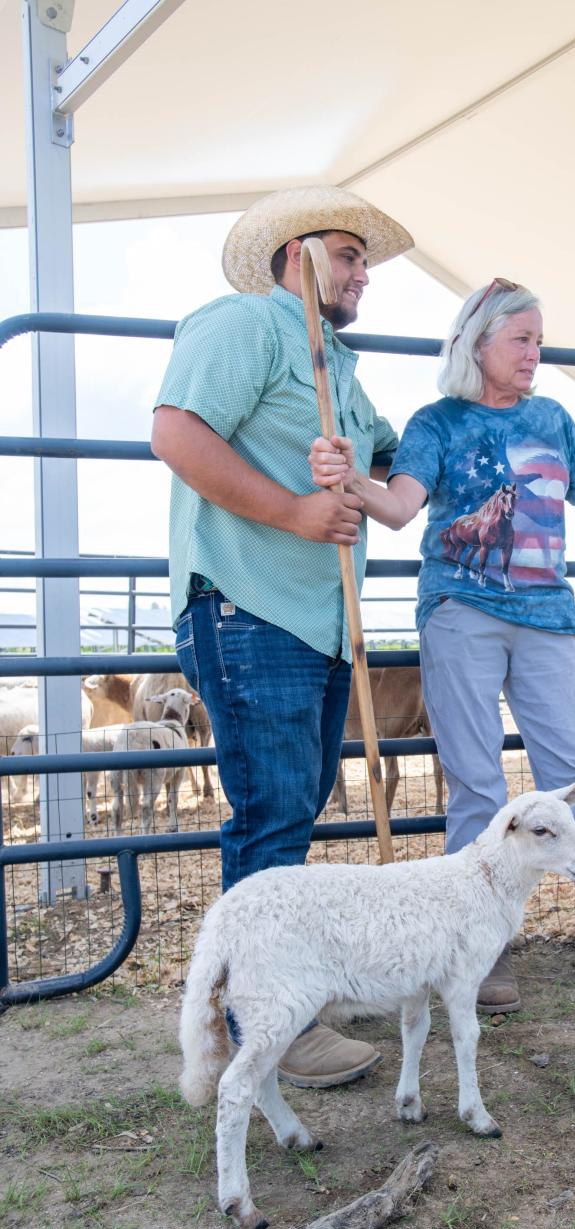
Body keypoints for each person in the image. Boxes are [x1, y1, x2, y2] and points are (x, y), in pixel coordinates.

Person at [309, 278, 575, 1013]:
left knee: (572, 767)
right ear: (478, 344)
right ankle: (478, 948)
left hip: (545, 615)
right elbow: (402, 506)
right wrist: (351, 480)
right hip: (461, 611)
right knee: (475, 777)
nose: (535, 353)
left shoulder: (554, 420)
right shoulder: (436, 423)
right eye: (521, 340)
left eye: (538, 340)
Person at [151, 185, 413, 1085]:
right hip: (250, 604)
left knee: (294, 804)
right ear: (295, 256)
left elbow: (387, 454)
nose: (363, 273)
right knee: (273, 813)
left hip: (317, 621)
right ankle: (270, 1019)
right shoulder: (244, 327)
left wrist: (382, 465)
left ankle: (267, 1001)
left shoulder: (336, 366)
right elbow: (177, 433)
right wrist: (299, 512)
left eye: (363, 260)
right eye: (348, 255)